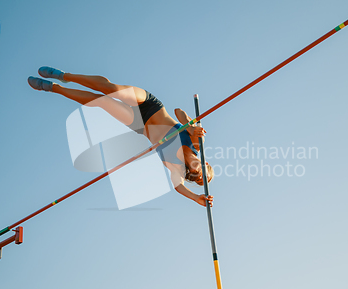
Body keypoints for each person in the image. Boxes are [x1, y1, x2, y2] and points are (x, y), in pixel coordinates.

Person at [28, 67, 214, 206]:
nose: (201, 167)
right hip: (151, 106)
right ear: (205, 163)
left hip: (139, 124)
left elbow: (178, 187)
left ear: (193, 173)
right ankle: (64, 76)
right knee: (110, 89)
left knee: (102, 103)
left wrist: (196, 197)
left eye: (199, 176)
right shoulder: (197, 142)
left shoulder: (176, 168)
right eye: (206, 167)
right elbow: (178, 111)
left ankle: (54, 88)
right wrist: (191, 125)